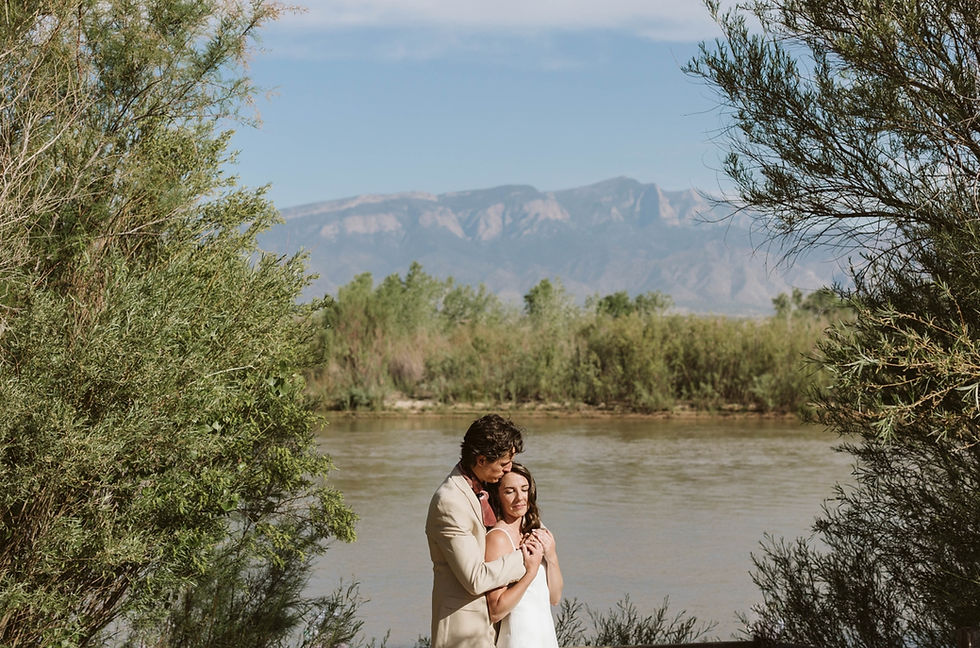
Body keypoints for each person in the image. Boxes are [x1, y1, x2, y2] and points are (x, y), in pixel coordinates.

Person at [426, 414, 543, 648]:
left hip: (496, 629)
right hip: (463, 632)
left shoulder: (484, 488)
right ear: (481, 460)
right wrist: (527, 555)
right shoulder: (449, 502)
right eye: (503, 463)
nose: (508, 468)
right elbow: (474, 579)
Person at [485, 463, 563, 648]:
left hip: (545, 636)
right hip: (518, 638)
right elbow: (495, 610)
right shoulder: (498, 539)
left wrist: (551, 556)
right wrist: (531, 572)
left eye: (525, 489)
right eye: (510, 491)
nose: (520, 498)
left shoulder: (537, 529)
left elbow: (555, 598)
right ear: (498, 496)